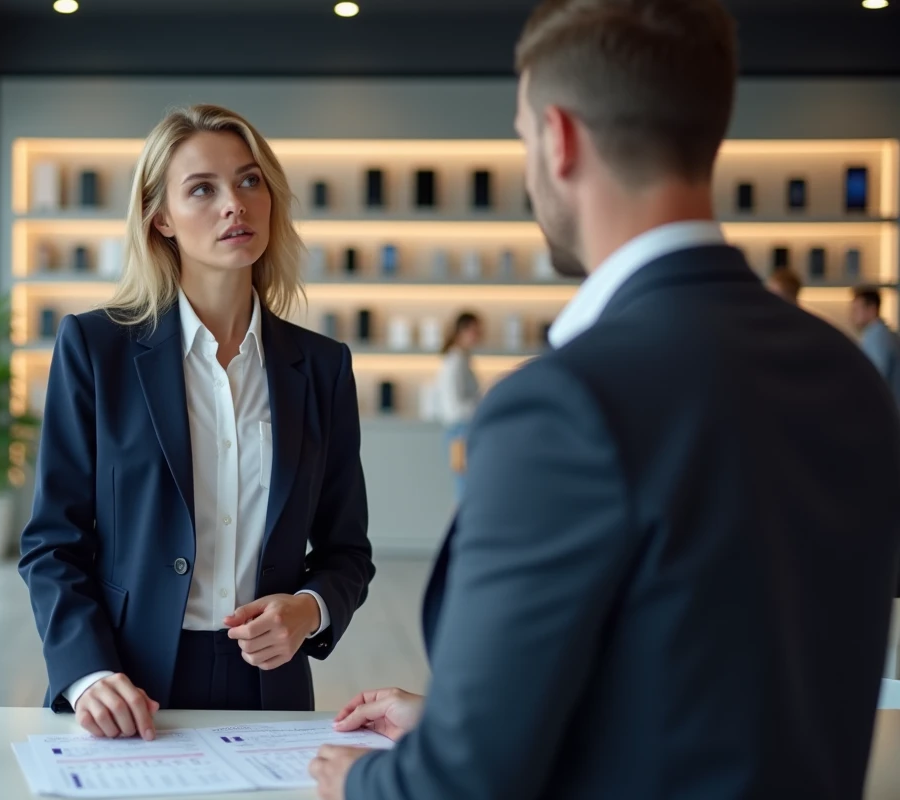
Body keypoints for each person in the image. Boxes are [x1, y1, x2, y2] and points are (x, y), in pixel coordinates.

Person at [310, 1, 900, 798]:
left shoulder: (561, 406)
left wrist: (368, 782)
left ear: (558, 139)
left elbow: (462, 786)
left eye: (522, 137)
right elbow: (710, 686)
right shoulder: (848, 377)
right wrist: (458, 723)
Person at [18, 103, 375, 742]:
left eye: (249, 181)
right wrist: (87, 674)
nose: (234, 205)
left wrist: (308, 610)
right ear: (161, 218)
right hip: (128, 684)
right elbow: (53, 543)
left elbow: (346, 550)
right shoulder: (95, 349)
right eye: (202, 189)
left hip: (272, 684)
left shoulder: (323, 368)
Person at [433, 312, 482, 502]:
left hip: (461, 432)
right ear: (462, 331)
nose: (478, 336)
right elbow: (454, 406)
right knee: (465, 491)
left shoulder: (461, 359)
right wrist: (481, 406)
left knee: (466, 489)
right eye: (474, 331)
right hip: (460, 433)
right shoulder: (455, 361)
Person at [850, 286, 900, 406]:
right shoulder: (883, 334)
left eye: (856, 310)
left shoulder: (877, 336)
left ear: (872, 309)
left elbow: (875, 377)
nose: (852, 315)